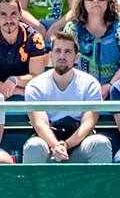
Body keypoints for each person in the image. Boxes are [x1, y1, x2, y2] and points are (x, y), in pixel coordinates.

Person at [21, 29, 113, 163]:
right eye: (58, 51)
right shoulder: (35, 85)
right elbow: (40, 124)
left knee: (100, 143)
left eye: (68, 51)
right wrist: (56, 146)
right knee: (34, 146)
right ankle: (32, 185)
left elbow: (89, 123)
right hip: (48, 142)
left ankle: (100, 185)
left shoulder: (90, 83)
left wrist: (66, 145)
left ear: (76, 57)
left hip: (79, 142)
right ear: (50, 55)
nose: (62, 56)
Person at [56, 0, 120, 90]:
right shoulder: (72, 29)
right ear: (83, 2)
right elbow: (64, 61)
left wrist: (110, 86)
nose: (96, 0)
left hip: (117, 88)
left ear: (108, 1)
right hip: (81, 88)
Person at [0, 0, 49, 100]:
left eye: (13, 14)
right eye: (3, 14)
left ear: (20, 15)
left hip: (26, 90)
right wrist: (15, 91)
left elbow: (36, 76)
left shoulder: (34, 38)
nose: (9, 20)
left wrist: (15, 80)